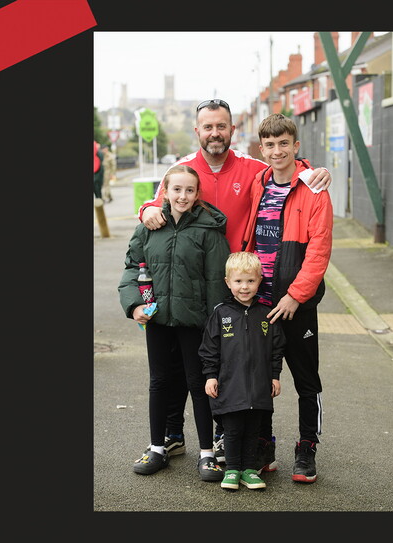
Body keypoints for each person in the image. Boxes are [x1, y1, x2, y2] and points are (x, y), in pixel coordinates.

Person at [137, 99, 332, 464]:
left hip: (248, 287)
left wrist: (312, 171)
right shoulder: (183, 171)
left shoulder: (254, 170)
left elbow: (287, 169)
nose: (215, 133)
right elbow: (157, 203)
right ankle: (174, 434)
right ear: (197, 131)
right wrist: (147, 208)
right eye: (207, 127)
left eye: (221, 126)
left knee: (246, 369)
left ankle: (266, 441)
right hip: (197, 286)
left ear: (232, 130)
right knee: (188, 366)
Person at [117, 164, 230, 482]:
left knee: (199, 385)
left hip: (195, 324)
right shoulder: (149, 227)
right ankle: (158, 448)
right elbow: (131, 267)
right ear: (164, 191)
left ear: (197, 194)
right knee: (159, 383)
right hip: (157, 320)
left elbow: (216, 282)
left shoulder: (209, 231)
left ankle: (207, 454)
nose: (182, 196)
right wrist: (134, 305)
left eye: (189, 190)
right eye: (176, 189)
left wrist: (216, 326)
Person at [240, 113, 333, 484]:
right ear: (261, 149)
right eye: (270, 145)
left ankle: (307, 447)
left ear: (296, 146)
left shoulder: (314, 189)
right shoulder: (258, 183)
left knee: (306, 379)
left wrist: (295, 296)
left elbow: (319, 250)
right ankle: (264, 444)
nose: (277, 151)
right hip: (261, 302)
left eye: (284, 144)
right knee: (262, 378)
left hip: (296, 305)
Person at [200, 251, 285, 491]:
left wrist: (275, 376)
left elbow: (276, 348)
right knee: (233, 430)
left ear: (260, 280)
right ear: (228, 283)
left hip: (259, 386)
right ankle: (233, 469)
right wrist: (210, 376)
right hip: (230, 384)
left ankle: (249, 470)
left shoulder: (266, 315)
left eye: (250, 281)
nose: (244, 287)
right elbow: (209, 348)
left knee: (253, 430)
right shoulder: (220, 314)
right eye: (238, 281)